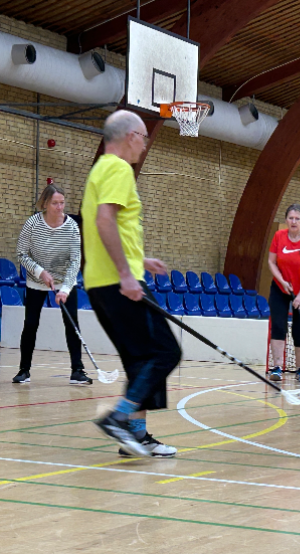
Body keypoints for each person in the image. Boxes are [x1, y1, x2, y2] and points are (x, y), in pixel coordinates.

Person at [81, 110, 181, 458]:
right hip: (117, 282)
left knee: (141, 360)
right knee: (167, 351)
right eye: (143, 136)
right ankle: (119, 418)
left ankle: (137, 437)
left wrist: (139, 262)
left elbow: (106, 229)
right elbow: (104, 220)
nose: (145, 143)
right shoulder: (119, 168)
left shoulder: (100, 170)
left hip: (100, 283)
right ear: (130, 137)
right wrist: (127, 274)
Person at [13, 185, 92, 386]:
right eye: (55, 203)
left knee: (72, 325)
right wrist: (40, 272)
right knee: (30, 324)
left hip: (65, 280)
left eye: (62, 203)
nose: (59, 207)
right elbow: (21, 254)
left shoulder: (72, 226)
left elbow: (76, 260)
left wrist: (65, 289)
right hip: (37, 281)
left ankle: (77, 371)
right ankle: (24, 370)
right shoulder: (32, 223)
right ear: (45, 203)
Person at [267, 203, 300, 383]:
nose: (294, 221)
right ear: (286, 220)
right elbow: (271, 262)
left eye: (297, 218)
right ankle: (277, 368)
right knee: (279, 327)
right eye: (291, 218)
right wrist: (282, 281)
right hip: (280, 289)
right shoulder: (279, 236)